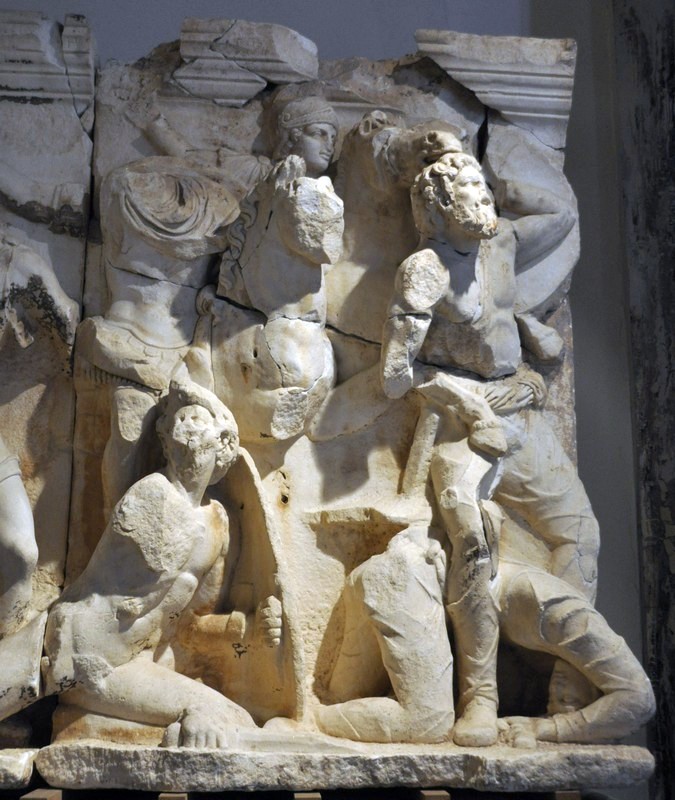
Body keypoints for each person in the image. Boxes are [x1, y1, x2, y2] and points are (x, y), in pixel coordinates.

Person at [377, 151, 601, 746]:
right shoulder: (424, 271)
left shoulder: (501, 241)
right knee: (472, 543)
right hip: (460, 424)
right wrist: (465, 400)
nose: (483, 199)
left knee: (579, 532)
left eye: (484, 187)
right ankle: (480, 698)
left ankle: (567, 688)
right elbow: (397, 376)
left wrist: (502, 160)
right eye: (469, 190)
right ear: (436, 207)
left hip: (518, 408)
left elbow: (560, 215)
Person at [43, 379, 282, 747]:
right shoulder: (151, 494)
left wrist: (246, 629)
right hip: (94, 654)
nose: (185, 426)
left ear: (224, 443)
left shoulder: (218, 523)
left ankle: (120, 726)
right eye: (178, 419)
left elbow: (189, 626)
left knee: (237, 718)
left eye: (197, 418)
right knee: (225, 718)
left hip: (139, 661)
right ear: (165, 437)